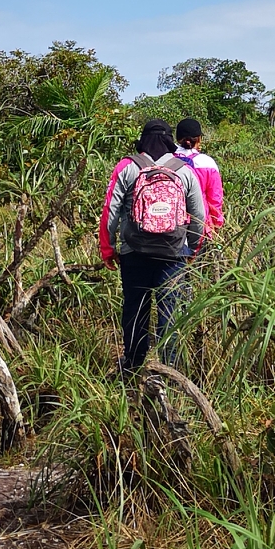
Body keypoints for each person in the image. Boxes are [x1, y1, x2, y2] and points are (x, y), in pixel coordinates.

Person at [102, 119, 206, 375]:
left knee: (135, 310)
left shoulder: (127, 167)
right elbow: (199, 216)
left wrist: (108, 248)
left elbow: (110, 212)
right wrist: (192, 249)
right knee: (169, 313)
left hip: (134, 252)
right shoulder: (184, 170)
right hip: (173, 254)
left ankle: (132, 367)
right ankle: (170, 373)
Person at [173, 118, 225, 244]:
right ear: (199, 139)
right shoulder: (207, 163)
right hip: (200, 229)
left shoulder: (167, 160)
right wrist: (216, 226)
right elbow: (215, 200)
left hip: (170, 226)